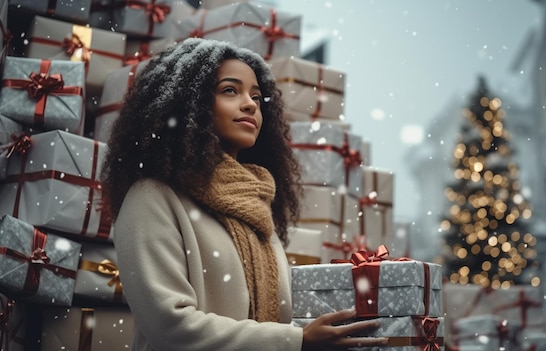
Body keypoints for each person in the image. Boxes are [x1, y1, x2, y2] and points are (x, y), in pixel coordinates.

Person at [101, 38, 389, 351]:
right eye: (229, 90)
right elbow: (170, 327)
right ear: (189, 101)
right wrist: (297, 341)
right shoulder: (151, 197)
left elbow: (277, 321)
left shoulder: (257, 206)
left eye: (256, 96)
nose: (251, 104)